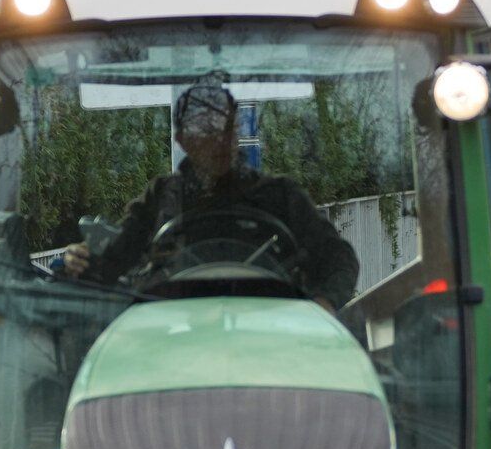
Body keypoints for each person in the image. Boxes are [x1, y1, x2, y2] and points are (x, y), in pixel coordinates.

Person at [65, 78, 359, 308]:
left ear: (237, 132)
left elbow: (338, 257)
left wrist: (324, 303)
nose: (219, 141)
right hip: (171, 333)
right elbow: (113, 261)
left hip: (272, 329)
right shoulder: (161, 197)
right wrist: (80, 261)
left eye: (227, 127)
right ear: (183, 140)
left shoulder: (280, 195)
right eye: (205, 130)